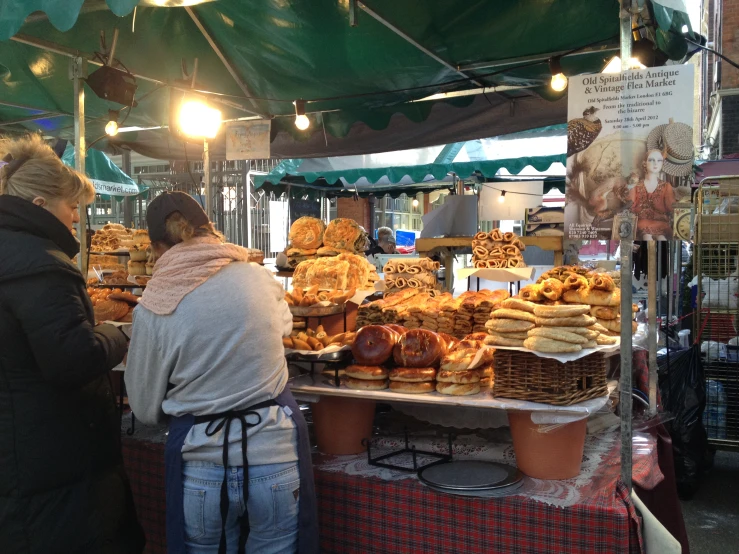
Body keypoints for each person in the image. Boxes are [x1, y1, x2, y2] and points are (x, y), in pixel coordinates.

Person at [125, 192, 318, 554]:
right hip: (273, 453)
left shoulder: (153, 305)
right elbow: (286, 326)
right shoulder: (257, 277)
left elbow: (144, 409)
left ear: (155, 247)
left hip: (202, 465)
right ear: (210, 230)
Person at [0, 135, 145, 553]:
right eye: (73, 207)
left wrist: (86, 319)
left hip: (19, 452)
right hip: (54, 460)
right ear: (41, 205)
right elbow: (73, 360)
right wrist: (117, 334)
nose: (78, 219)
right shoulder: (43, 265)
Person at [625, 148, 677, 240]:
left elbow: (671, 207)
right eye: (651, 160)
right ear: (644, 163)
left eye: (659, 160)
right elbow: (629, 205)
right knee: (647, 237)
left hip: (661, 225)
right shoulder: (636, 186)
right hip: (641, 225)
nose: (656, 163)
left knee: (662, 238)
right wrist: (629, 188)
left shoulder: (666, 186)